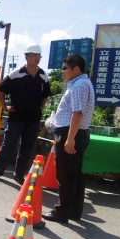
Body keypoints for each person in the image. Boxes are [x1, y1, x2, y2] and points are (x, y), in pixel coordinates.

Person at [42, 54, 95, 223]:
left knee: (66, 175)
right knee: (74, 175)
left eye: (65, 68)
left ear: (76, 69)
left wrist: (70, 138)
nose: (62, 72)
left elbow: (77, 112)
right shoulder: (81, 83)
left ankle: (63, 211)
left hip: (71, 133)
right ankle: (73, 211)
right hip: (75, 133)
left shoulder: (79, 85)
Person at [0, 44, 50, 184]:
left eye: (38, 56)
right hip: (16, 117)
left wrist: (41, 108)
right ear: (26, 56)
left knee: (27, 147)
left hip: (33, 119)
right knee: (8, 144)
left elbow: (46, 94)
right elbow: (0, 89)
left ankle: (19, 174)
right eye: (34, 55)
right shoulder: (16, 74)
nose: (37, 58)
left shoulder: (43, 76)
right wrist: (4, 106)